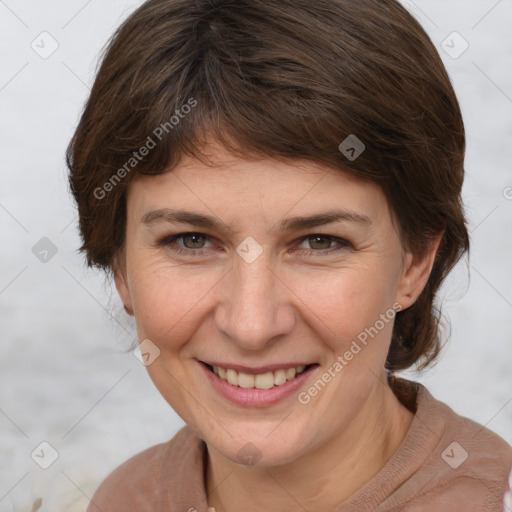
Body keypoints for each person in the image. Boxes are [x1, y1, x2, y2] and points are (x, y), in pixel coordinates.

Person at [66, 0, 512, 510]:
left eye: (321, 242)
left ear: (414, 261)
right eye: (190, 240)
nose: (252, 326)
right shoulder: (124, 500)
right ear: (120, 264)